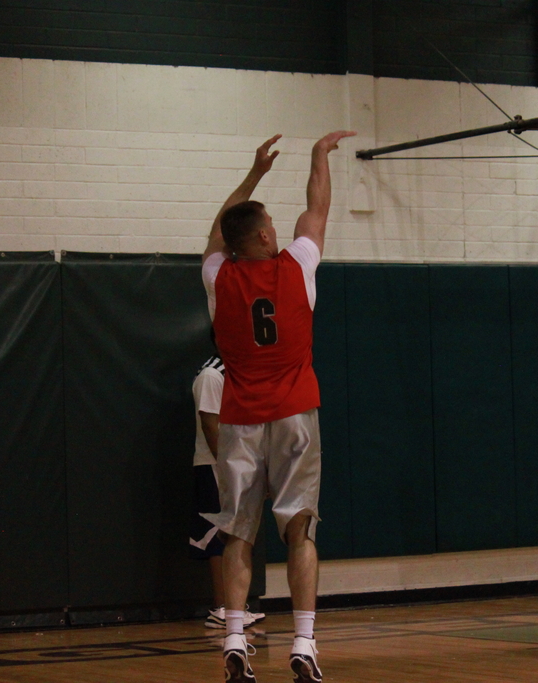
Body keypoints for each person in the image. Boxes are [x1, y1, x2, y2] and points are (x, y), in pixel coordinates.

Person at [201, 130, 355, 683]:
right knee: (300, 530)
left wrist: (254, 175)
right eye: (269, 221)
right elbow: (317, 208)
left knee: (239, 533)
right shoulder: (297, 267)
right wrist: (318, 156)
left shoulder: (218, 278)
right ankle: (304, 643)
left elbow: (218, 232)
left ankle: (234, 638)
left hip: (242, 418)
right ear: (267, 234)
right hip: (294, 414)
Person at [188, 351, 265, 630]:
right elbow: (210, 424)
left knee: (238, 532)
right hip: (215, 466)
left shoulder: (241, 369)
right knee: (217, 534)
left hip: (241, 464)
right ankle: (223, 608)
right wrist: (227, 466)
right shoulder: (211, 374)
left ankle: (235, 607)